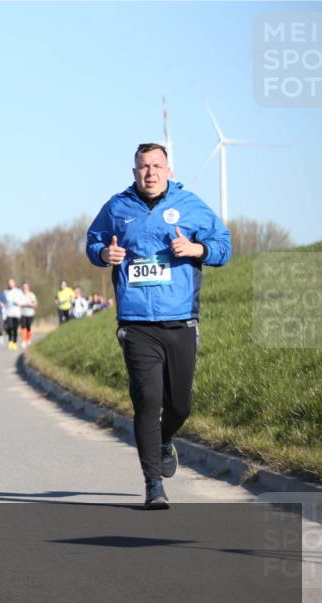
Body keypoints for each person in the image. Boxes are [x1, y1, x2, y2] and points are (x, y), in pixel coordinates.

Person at [86, 142, 231, 509]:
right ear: (134, 172)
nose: (150, 172)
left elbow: (223, 244)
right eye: (143, 167)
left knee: (180, 405)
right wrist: (104, 254)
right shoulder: (117, 207)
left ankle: (165, 441)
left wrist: (198, 251)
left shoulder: (191, 205)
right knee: (147, 400)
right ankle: (153, 484)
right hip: (136, 323)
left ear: (168, 170)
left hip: (180, 318)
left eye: (156, 166)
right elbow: (93, 241)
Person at [2, 279, 24, 350]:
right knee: (9, 327)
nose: (10, 284)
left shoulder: (18, 291)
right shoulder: (5, 292)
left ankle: (14, 342)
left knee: (15, 328)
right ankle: (10, 340)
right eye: (9, 283)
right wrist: (4, 312)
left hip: (16, 313)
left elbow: (22, 301)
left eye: (11, 283)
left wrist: (18, 303)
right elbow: (4, 303)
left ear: (14, 284)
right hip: (8, 313)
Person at [19, 282, 38, 348]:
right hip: (22, 313)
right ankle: (24, 340)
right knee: (23, 327)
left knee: (28, 327)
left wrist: (29, 304)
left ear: (28, 288)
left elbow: (35, 304)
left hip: (30, 314)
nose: (25, 289)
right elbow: (18, 303)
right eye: (23, 287)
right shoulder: (20, 295)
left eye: (26, 287)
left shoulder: (32, 295)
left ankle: (28, 339)